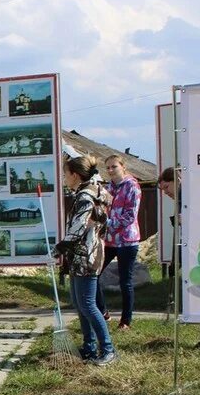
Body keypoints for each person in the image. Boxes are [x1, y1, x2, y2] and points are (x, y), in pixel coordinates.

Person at [56, 155, 115, 365]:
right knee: (80, 304)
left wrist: (60, 248)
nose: (64, 178)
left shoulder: (85, 197)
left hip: (86, 255)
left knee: (88, 304)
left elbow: (78, 227)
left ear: (75, 175)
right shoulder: (96, 191)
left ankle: (107, 349)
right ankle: (89, 347)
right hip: (85, 253)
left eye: (65, 174)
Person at [159, 167, 200, 353]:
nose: (166, 193)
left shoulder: (197, 196)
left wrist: (187, 219)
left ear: (177, 179)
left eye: (166, 187)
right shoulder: (183, 199)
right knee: (199, 296)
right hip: (196, 252)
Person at [95, 154, 141, 329]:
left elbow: (130, 216)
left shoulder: (132, 187)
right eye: (107, 168)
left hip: (127, 240)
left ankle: (125, 321)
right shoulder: (108, 188)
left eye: (114, 167)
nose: (110, 170)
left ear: (123, 167)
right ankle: (103, 312)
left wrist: (108, 223)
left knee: (125, 281)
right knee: (95, 274)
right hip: (109, 240)